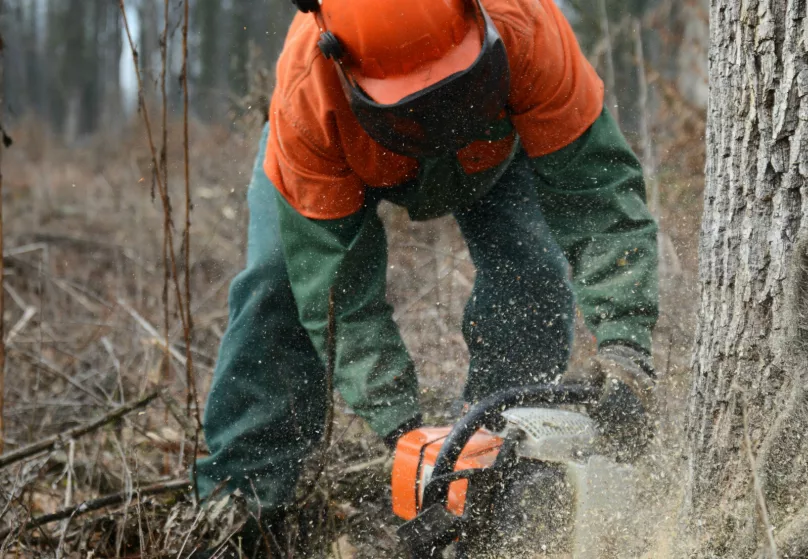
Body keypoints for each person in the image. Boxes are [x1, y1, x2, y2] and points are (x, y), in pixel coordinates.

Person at [192, 0, 659, 555]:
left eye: (455, 88)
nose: (440, 117)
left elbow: (599, 197)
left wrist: (626, 348)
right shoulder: (309, 91)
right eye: (419, 102)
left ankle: (501, 477)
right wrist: (402, 427)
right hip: (349, 144)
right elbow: (337, 292)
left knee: (531, 267)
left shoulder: (526, 28)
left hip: (496, 152)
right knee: (279, 282)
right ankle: (239, 502)